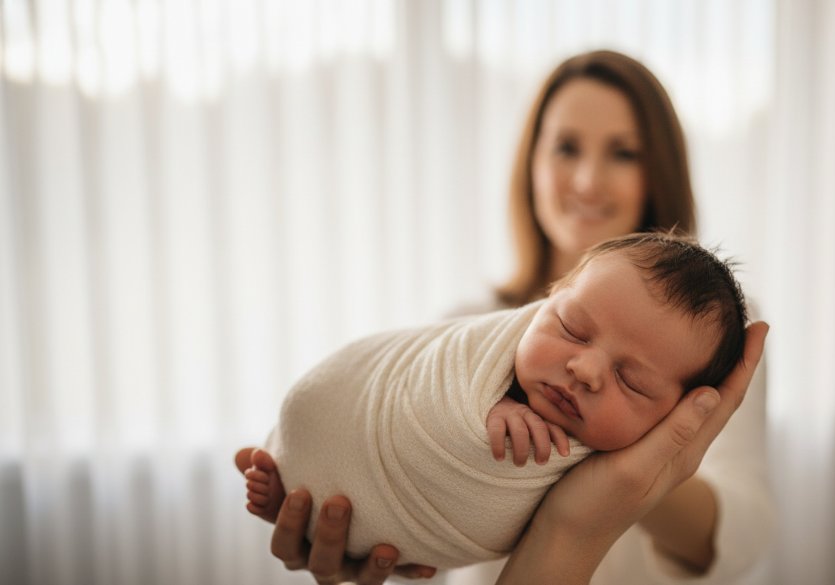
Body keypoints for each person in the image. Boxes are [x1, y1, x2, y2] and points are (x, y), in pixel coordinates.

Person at [235, 49, 772, 584]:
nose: (587, 180)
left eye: (624, 153)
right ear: (531, 162)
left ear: (659, 172)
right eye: (566, 147)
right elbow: (422, 486)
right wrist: (379, 511)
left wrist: (642, 463)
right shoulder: (468, 328)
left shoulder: (711, 344)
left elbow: (740, 536)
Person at [244, 232, 748, 570]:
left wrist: (654, 474)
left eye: (633, 381)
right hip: (337, 417)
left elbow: (748, 542)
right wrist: (494, 407)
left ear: (682, 410)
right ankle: (286, 484)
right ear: (550, 300)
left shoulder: (702, 354)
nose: (586, 370)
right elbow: (430, 396)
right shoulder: (476, 332)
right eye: (572, 328)